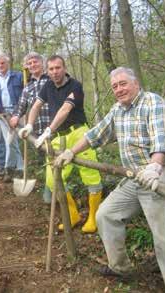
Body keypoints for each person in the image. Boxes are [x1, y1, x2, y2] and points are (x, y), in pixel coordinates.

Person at [55, 67, 165, 293]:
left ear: (136, 83)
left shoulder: (153, 103)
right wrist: (70, 152)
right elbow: (94, 135)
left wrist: (155, 166)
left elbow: (162, 139)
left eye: (123, 84)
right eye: (114, 86)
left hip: (160, 175)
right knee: (106, 215)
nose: (119, 89)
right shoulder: (118, 110)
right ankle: (121, 268)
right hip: (134, 177)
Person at [19, 55, 103, 233]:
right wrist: (29, 125)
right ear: (47, 71)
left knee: (91, 176)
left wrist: (48, 130)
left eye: (58, 68)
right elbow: (35, 106)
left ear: (64, 68)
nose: (55, 72)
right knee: (52, 178)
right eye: (51, 69)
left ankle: (93, 218)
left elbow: (65, 109)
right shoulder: (48, 85)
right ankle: (72, 215)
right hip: (59, 137)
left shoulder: (75, 86)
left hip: (79, 133)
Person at [9, 52, 50, 200]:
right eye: (30, 63)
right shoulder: (28, 87)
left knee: (52, 158)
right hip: (36, 129)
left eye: (35, 62)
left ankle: (52, 192)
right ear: (27, 67)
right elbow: (21, 105)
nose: (33, 65)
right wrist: (15, 116)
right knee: (42, 160)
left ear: (42, 63)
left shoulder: (50, 79)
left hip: (52, 127)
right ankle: (48, 188)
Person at [0, 53, 23, 182]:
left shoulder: (18, 76)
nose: (1, 66)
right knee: (11, 142)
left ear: (8, 63)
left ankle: (10, 169)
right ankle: (18, 169)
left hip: (18, 112)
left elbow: (27, 92)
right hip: (2, 115)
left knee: (11, 142)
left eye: (3, 63)